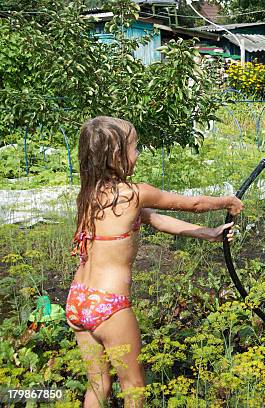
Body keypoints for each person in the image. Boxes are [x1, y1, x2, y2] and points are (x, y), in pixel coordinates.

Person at [65, 116, 243, 407]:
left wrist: (207, 233)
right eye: (134, 148)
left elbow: (155, 220)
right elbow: (194, 204)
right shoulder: (135, 193)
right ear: (116, 156)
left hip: (78, 301)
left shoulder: (90, 195)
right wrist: (227, 201)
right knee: (134, 386)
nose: (137, 155)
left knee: (98, 384)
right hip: (109, 306)